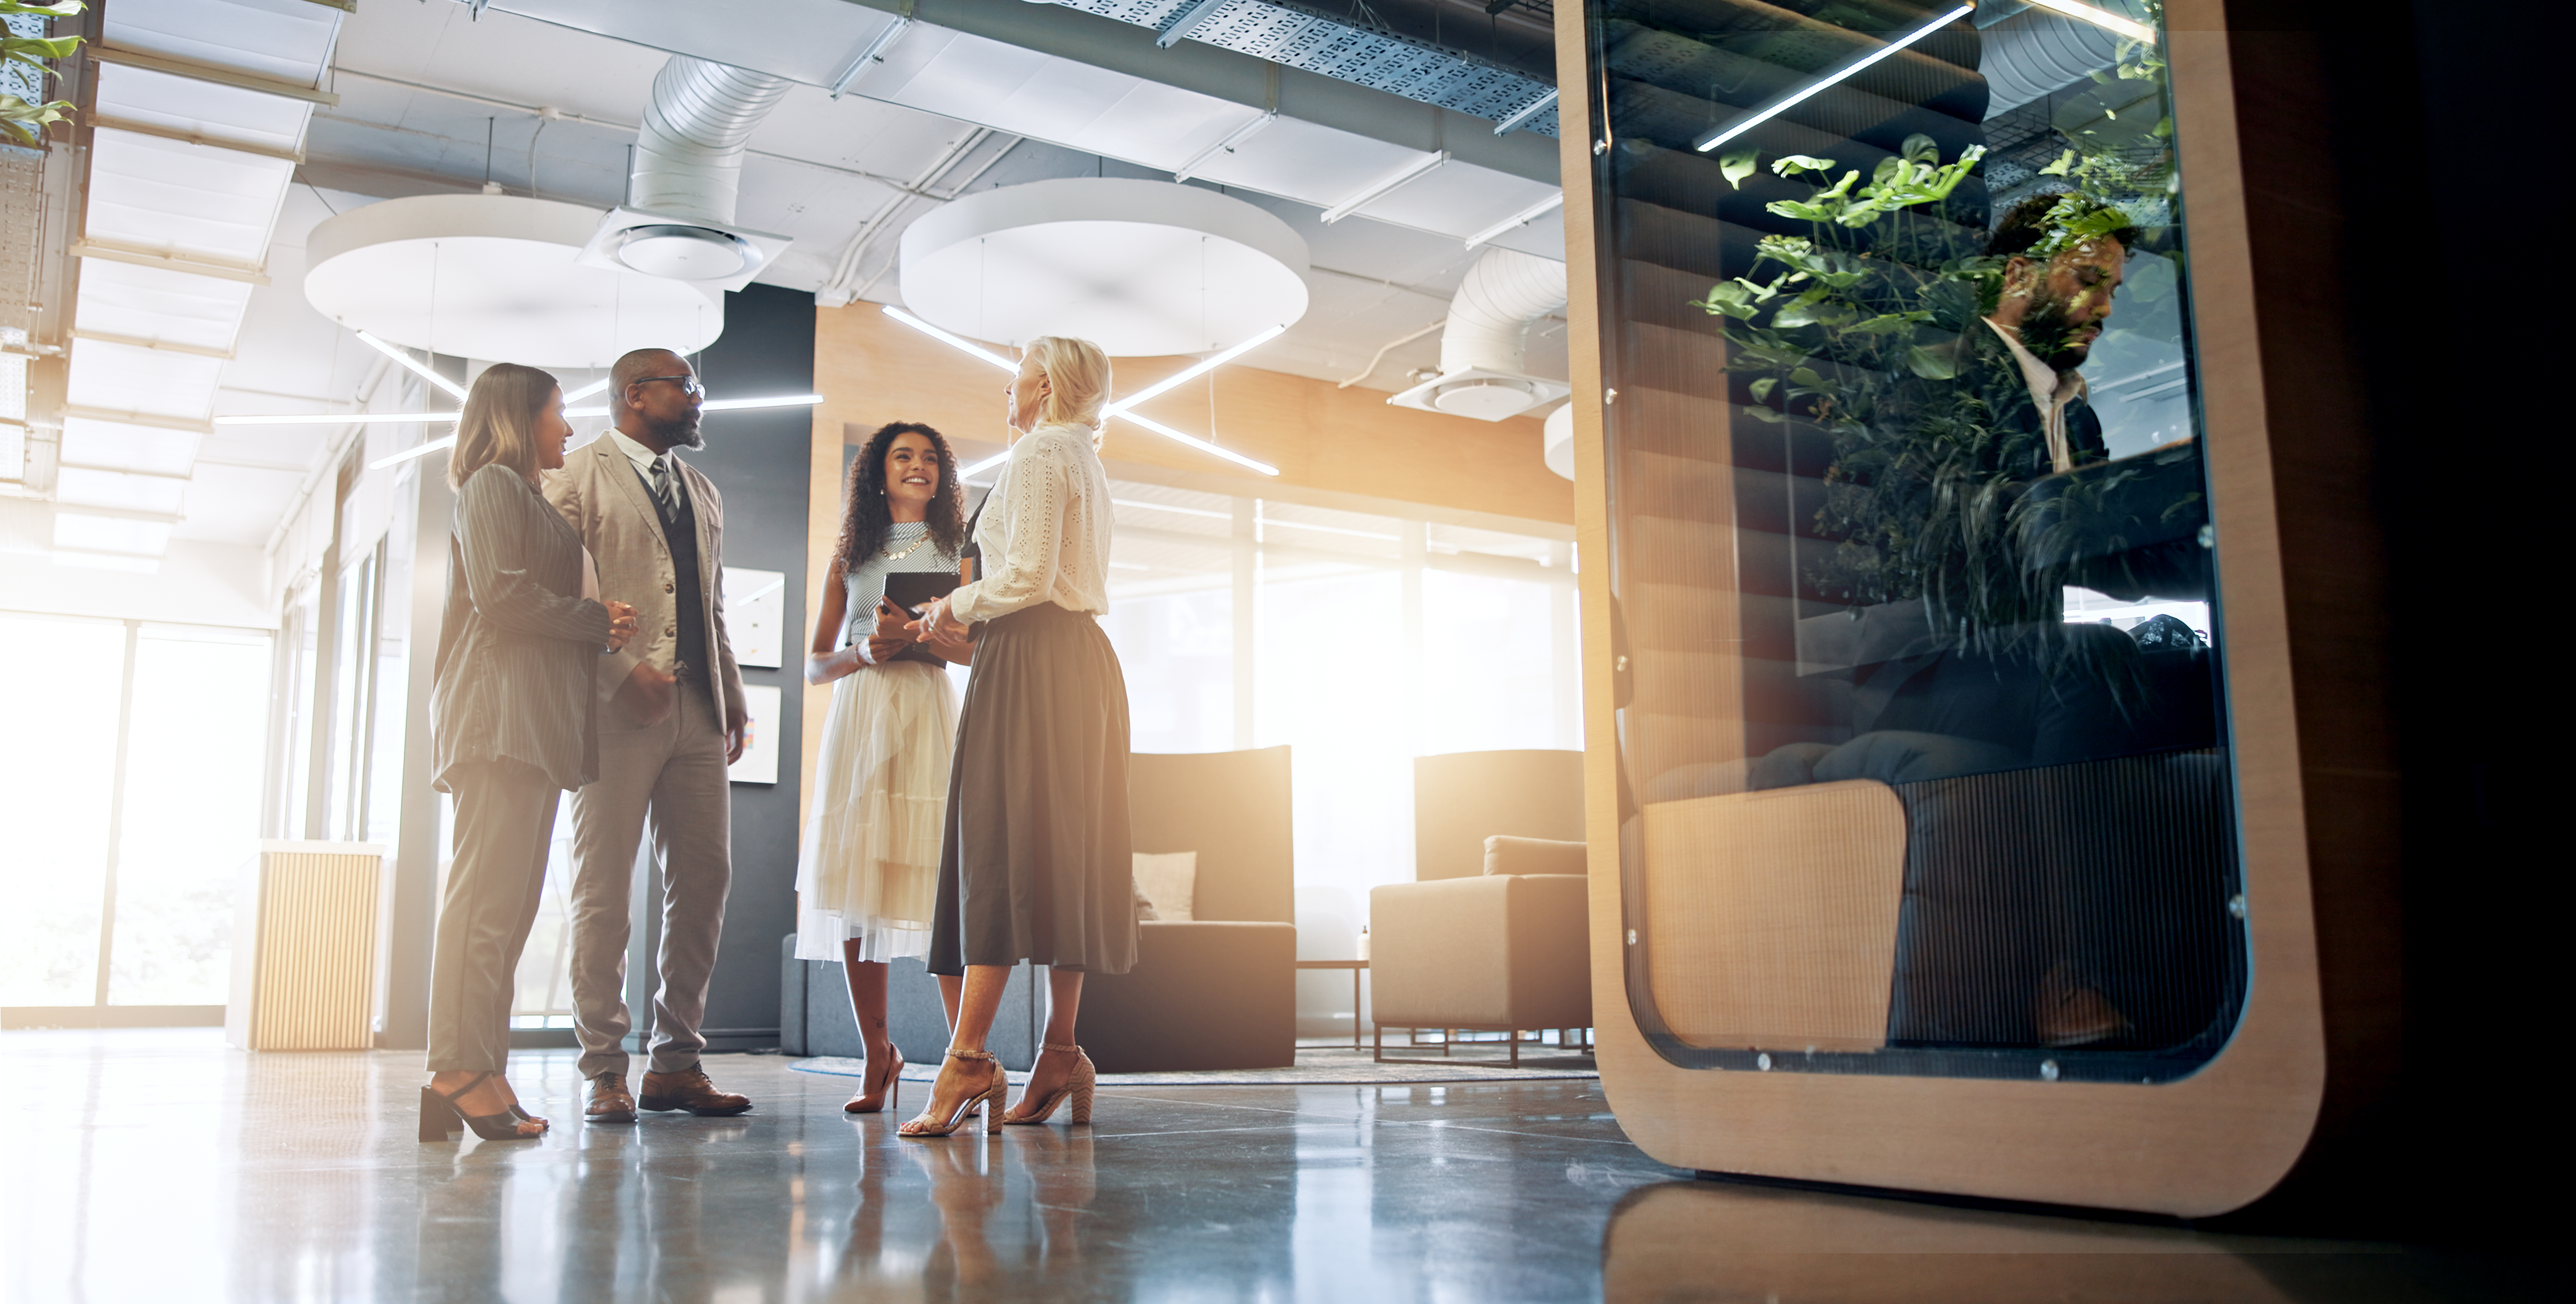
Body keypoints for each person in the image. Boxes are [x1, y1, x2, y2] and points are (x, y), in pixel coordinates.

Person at [899, 335, 1133, 1137]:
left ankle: (968, 1057)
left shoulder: (1038, 453)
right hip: (1078, 663)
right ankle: (1060, 1051)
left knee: (995, 847)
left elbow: (1028, 576)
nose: (1008, 390)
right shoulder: (1085, 458)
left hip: (1033, 658)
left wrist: (948, 608)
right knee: (1066, 855)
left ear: (1044, 386)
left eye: (1016, 376)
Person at [422, 362, 637, 1141]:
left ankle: (481, 1065)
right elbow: (501, 595)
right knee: (486, 904)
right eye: (557, 412)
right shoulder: (491, 486)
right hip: (499, 719)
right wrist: (595, 620)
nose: (568, 429)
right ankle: (454, 1067)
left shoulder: (524, 495)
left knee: (508, 910)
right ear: (519, 418)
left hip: (530, 723)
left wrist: (595, 622)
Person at [543, 348, 756, 1124]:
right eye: (688, 387)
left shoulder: (702, 490)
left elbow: (712, 604)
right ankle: (604, 1068)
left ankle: (676, 1064)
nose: (699, 400)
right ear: (636, 393)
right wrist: (618, 670)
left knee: (704, 883)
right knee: (603, 890)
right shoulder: (573, 476)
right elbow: (559, 597)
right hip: (611, 711)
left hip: (698, 710)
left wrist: (732, 697)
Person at [795, 421, 975, 1114]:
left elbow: (977, 651)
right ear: (879, 471)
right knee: (856, 878)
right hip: (863, 712)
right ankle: (879, 1055)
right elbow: (816, 665)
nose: (918, 466)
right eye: (903, 456)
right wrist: (864, 652)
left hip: (929, 710)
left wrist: (929, 635)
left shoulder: (960, 553)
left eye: (930, 457)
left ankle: (966, 1057)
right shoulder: (851, 555)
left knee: (942, 887)